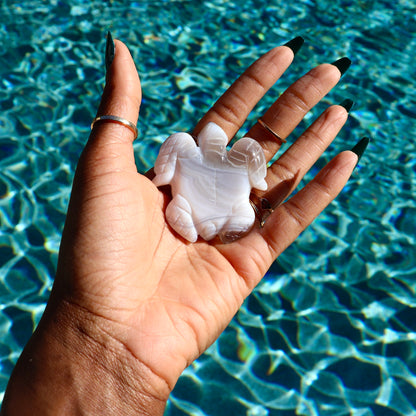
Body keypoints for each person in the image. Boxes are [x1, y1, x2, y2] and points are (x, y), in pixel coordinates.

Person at [1, 33, 368, 415]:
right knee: (235, 215)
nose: (216, 140)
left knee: (238, 215)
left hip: (206, 212)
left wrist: (187, 178)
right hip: (196, 212)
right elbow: (234, 167)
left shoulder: (220, 152)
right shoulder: (205, 152)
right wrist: (103, 349)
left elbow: (246, 169)